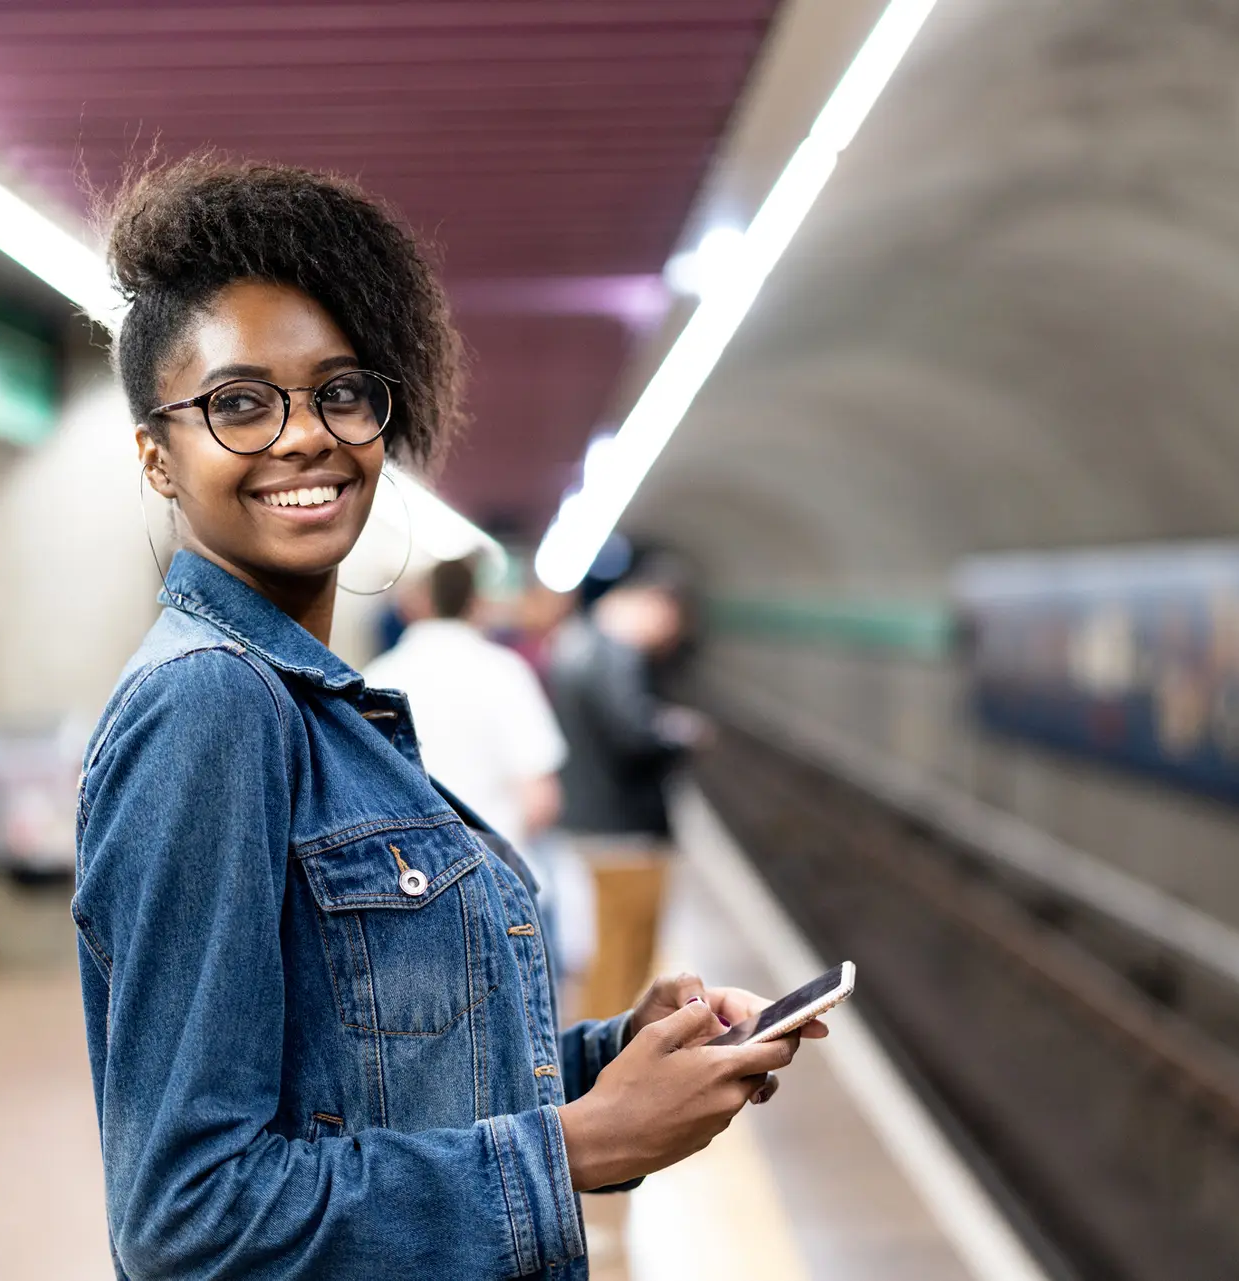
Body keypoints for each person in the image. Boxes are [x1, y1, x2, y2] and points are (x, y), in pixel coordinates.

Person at [74, 158, 821, 1281]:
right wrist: (580, 1146)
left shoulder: (311, 705)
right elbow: (191, 1217)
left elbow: (382, 1090)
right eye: (238, 403)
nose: (302, 436)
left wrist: (624, 1061)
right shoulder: (210, 706)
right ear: (155, 456)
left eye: (340, 390)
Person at [547, 575, 711, 1021]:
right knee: (625, 961)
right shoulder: (615, 656)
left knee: (606, 956)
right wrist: (678, 735)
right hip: (626, 832)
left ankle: (605, 1058)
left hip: (591, 823)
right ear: (654, 607)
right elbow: (634, 736)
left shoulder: (575, 643)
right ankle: (610, 1065)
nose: (666, 640)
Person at [363, 555, 564, 856]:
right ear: (477, 602)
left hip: (405, 872)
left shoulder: (376, 678)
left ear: (418, 603)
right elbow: (541, 799)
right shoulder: (505, 672)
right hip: (492, 865)